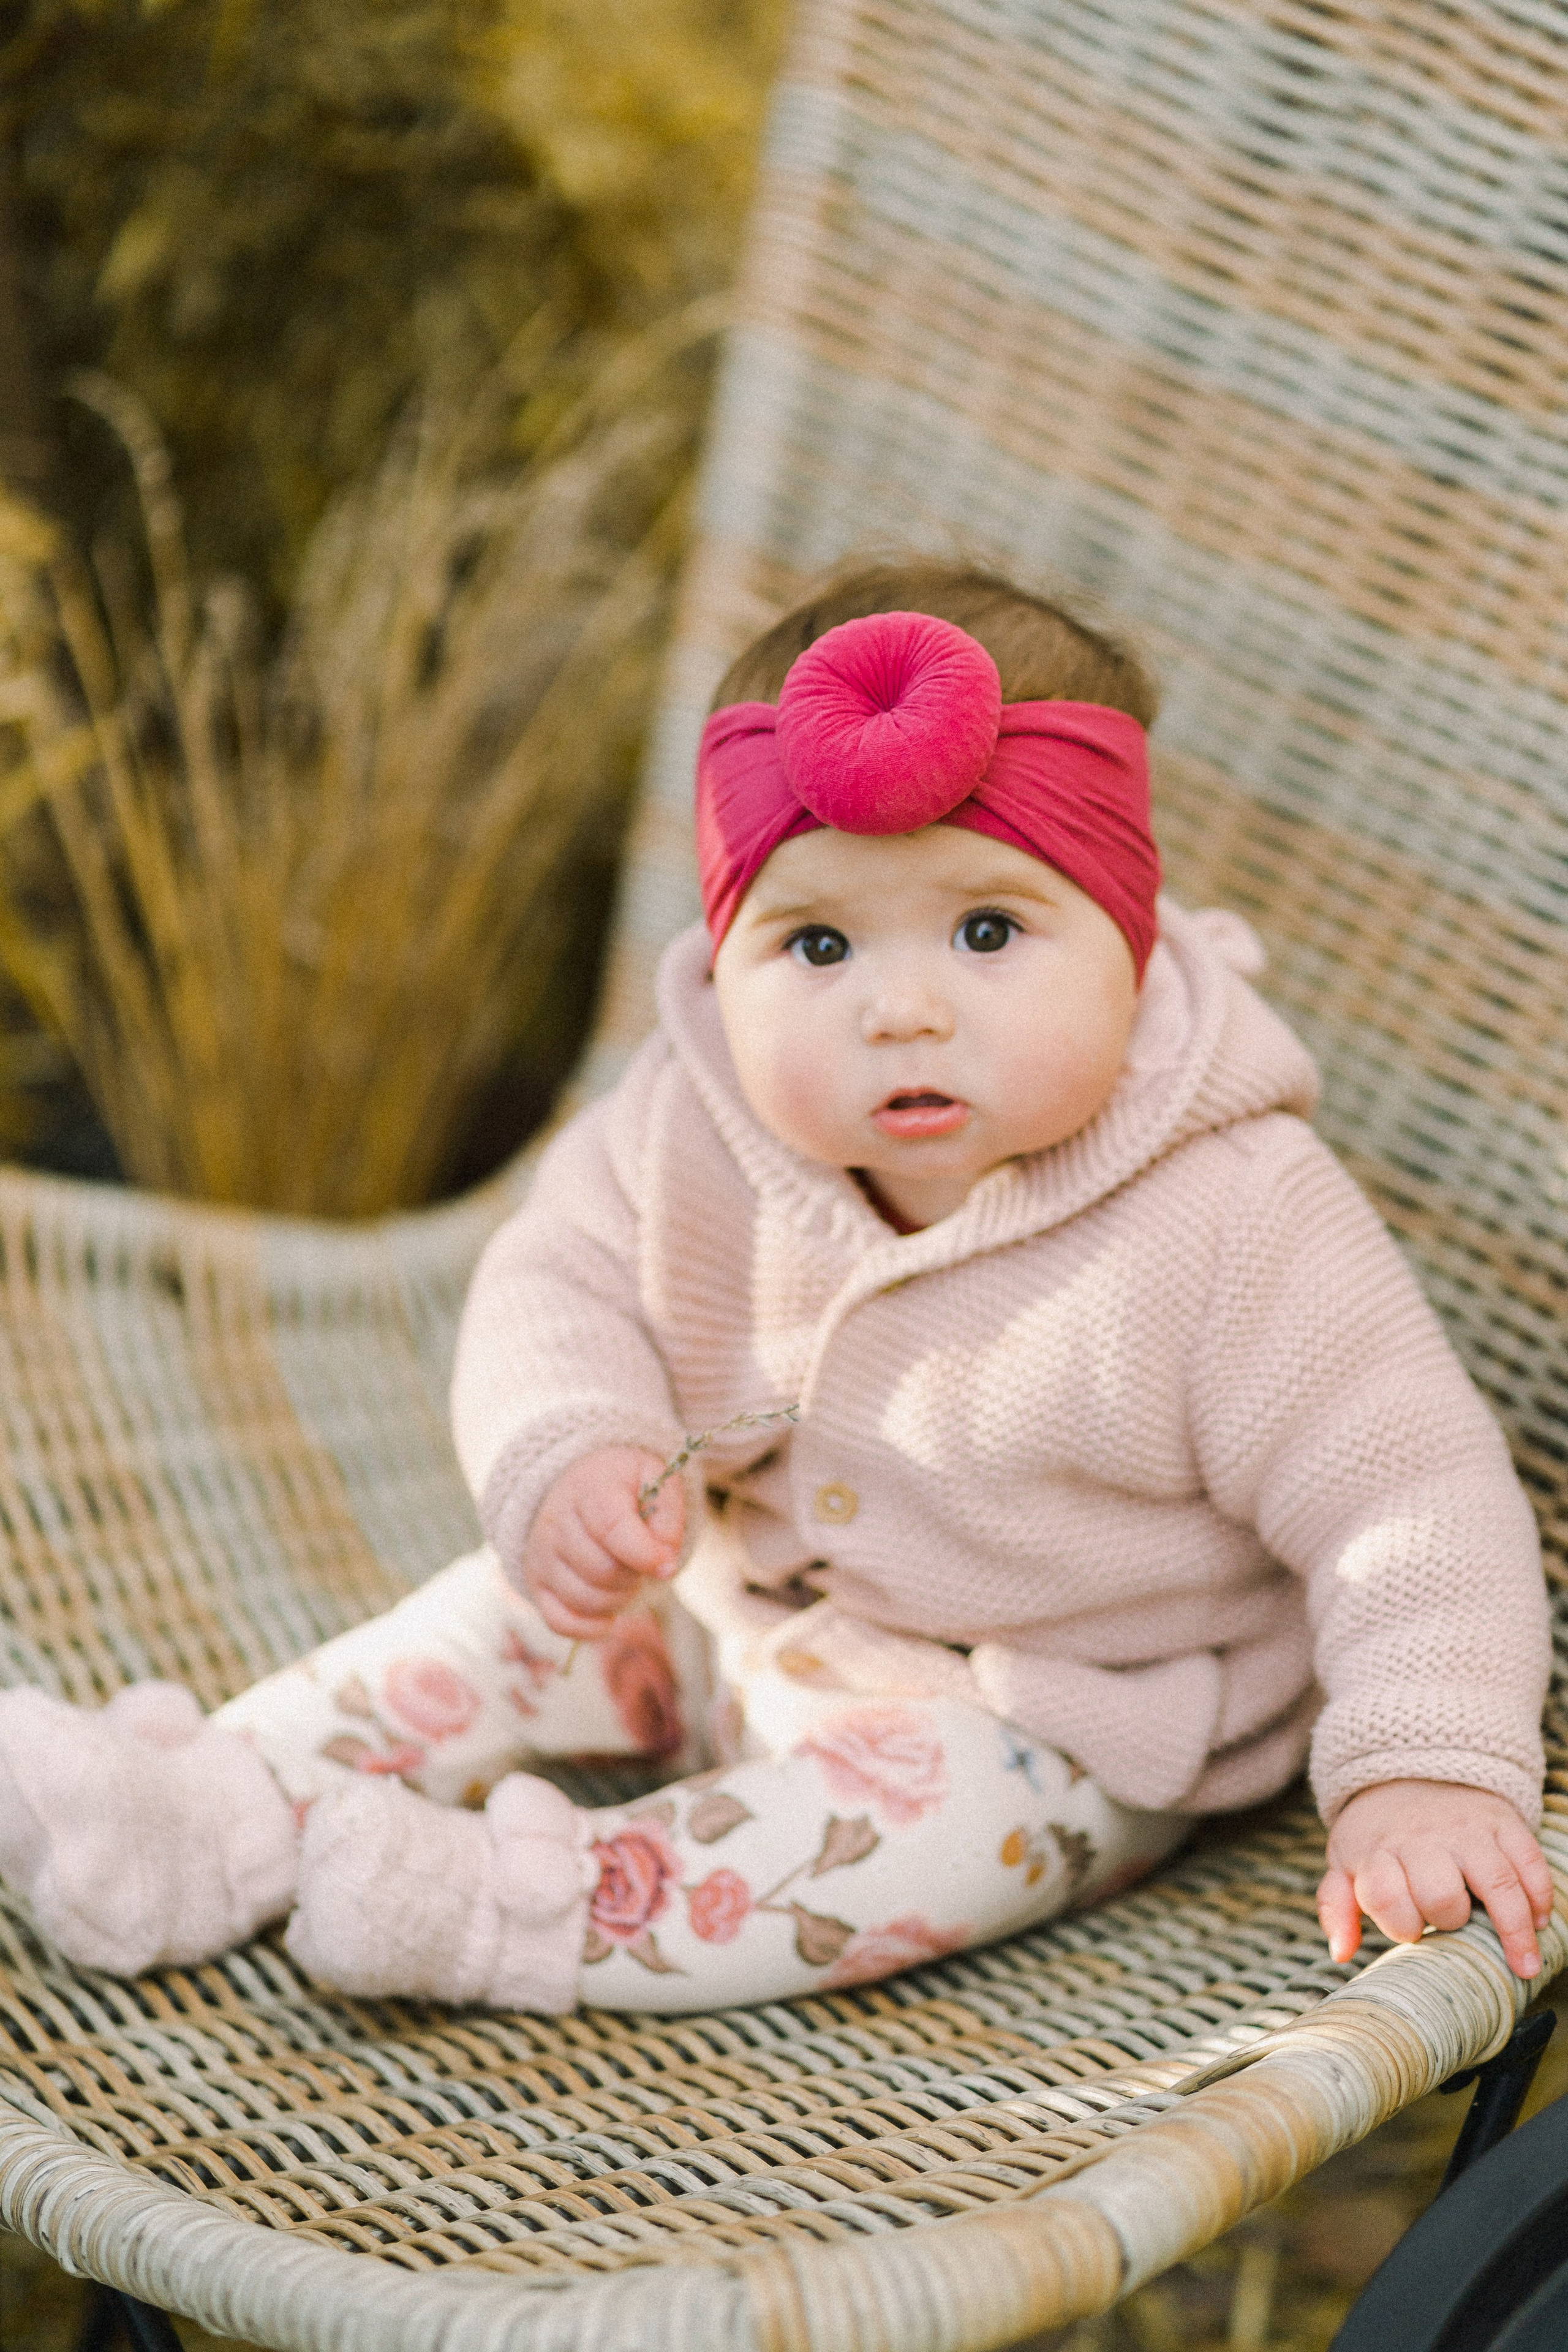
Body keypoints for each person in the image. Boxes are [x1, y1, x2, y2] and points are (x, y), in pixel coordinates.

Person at [0, 564, 1551, 2017]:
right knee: (498, 1616)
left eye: (988, 930)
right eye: (815, 944)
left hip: (1058, 1712)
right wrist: (573, 1445)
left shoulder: (1234, 1213)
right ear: (724, 950)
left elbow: (1403, 1497)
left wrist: (1417, 1765)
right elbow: (553, 1283)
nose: (900, 1009)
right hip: (724, 1610)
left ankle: (521, 1912)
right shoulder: (689, 1122)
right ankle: (207, 1810)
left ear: (1130, 936)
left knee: (906, 1835)